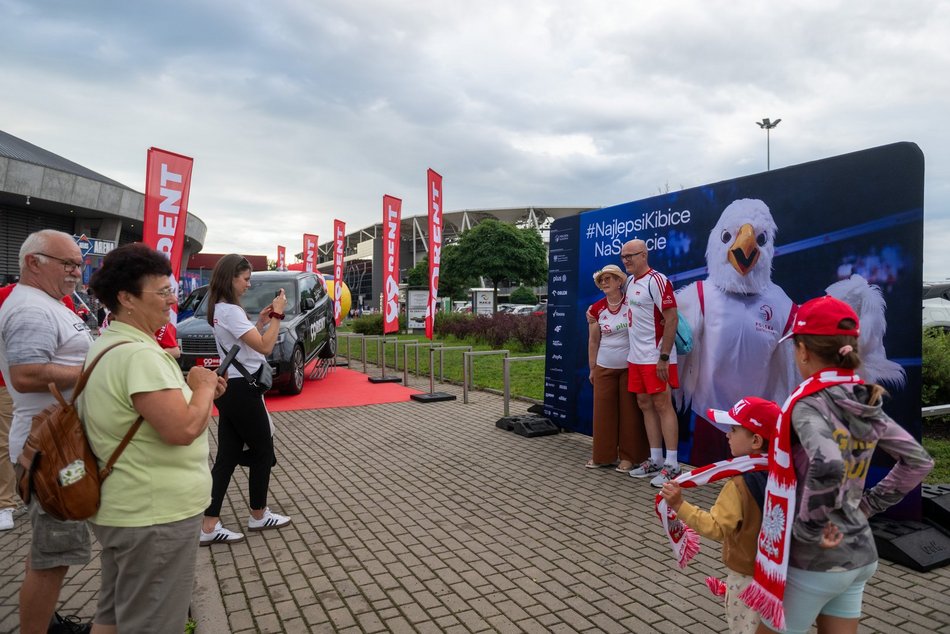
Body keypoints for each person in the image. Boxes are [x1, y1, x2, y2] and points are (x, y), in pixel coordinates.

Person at [750, 296, 934, 634]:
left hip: (814, 559)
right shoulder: (864, 398)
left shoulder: (809, 405)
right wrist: (863, 508)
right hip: (858, 553)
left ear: (803, 350)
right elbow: (918, 461)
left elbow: (828, 463)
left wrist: (808, 529)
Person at [77, 243, 225, 634]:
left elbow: (149, 416)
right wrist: (204, 385)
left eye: (171, 290)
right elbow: (183, 429)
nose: (171, 300)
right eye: (161, 292)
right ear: (125, 298)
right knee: (154, 622)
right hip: (154, 516)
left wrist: (197, 392)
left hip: (125, 509)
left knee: (112, 614)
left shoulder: (108, 345)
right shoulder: (140, 356)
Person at [0, 230, 93, 634]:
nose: (76, 271)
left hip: (59, 446)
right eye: (67, 263)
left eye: (78, 263)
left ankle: (45, 623)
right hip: (53, 454)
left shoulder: (48, 303)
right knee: (52, 556)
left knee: (49, 549)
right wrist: (96, 372)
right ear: (33, 262)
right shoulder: (31, 310)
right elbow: (25, 375)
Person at [660, 396, 779, 634]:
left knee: (745, 627)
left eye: (734, 430)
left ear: (755, 440)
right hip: (777, 577)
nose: (727, 435)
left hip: (746, 576)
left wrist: (680, 505)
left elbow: (716, 527)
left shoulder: (739, 485)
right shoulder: (784, 476)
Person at [201, 254, 291, 545]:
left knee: (226, 457)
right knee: (263, 451)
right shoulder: (229, 311)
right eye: (246, 278)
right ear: (231, 278)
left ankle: (209, 525)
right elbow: (264, 348)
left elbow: (244, 344)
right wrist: (277, 315)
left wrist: (261, 322)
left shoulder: (220, 308)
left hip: (231, 387)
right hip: (242, 390)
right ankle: (258, 514)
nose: (249, 284)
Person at [618, 239, 682, 487]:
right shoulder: (631, 281)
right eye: (623, 256)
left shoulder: (658, 280)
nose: (625, 260)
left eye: (630, 256)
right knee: (644, 404)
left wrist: (664, 357)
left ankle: (673, 464)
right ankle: (655, 458)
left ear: (644, 255)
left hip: (656, 357)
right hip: (636, 357)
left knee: (662, 404)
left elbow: (672, 318)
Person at [586, 264, 648, 471]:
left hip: (630, 367)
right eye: (601, 280)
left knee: (630, 414)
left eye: (609, 279)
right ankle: (602, 456)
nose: (604, 282)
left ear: (620, 281)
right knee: (603, 414)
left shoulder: (632, 304)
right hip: (604, 367)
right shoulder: (596, 309)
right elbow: (593, 341)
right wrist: (593, 368)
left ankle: (629, 458)